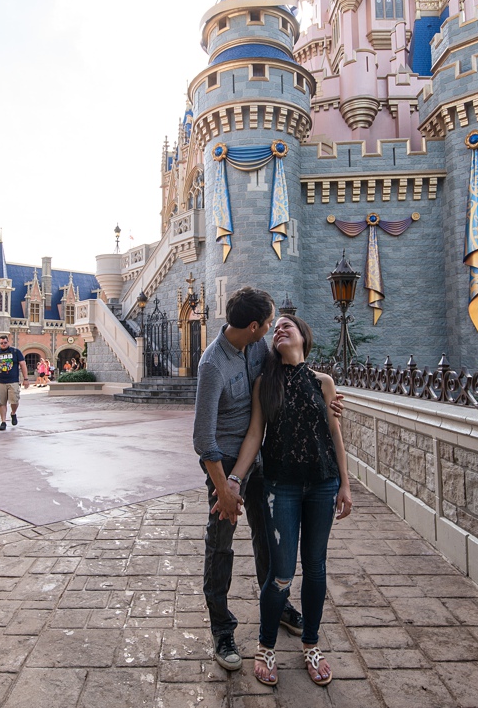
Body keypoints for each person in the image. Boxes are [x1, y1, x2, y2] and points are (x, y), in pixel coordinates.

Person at [225, 314, 352, 687]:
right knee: (281, 573)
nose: (280, 329)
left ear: (303, 336)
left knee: (315, 566)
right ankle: (266, 646)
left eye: (287, 326)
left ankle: (311, 644)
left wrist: (345, 484)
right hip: (281, 488)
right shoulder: (265, 383)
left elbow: (335, 435)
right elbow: (254, 436)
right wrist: (234, 479)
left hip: (323, 485)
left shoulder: (324, 383)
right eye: (275, 327)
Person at [193, 287, 306, 672]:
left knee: (268, 535)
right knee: (221, 545)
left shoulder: (258, 348)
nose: (273, 327)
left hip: (260, 459)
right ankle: (222, 628)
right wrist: (223, 489)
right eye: (269, 321)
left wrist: (328, 393)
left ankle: (278, 603)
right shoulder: (212, 365)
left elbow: (294, 365)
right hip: (223, 464)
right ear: (254, 325)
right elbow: (202, 438)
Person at [0, 334, 28, 430]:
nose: (3, 344)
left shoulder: (16, 352)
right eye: (1, 343)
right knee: (1, 402)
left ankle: (13, 413)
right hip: (0, 381)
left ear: (8, 342)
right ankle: (3, 421)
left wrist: (26, 379)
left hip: (13, 381)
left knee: (14, 401)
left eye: (5, 342)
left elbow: (23, 364)